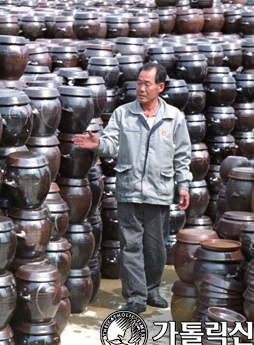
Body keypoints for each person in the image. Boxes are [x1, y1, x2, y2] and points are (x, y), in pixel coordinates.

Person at [73, 63, 192, 314]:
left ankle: (152, 290)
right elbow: (110, 144)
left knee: (156, 246)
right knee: (130, 245)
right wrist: (96, 143)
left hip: (159, 189)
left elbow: (182, 155)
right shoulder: (123, 114)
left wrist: (183, 185)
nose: (141, 88)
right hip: (129, 188)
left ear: (160, 87)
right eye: (139, 82)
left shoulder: (174, 117)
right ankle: (136, 295)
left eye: (147, 84)